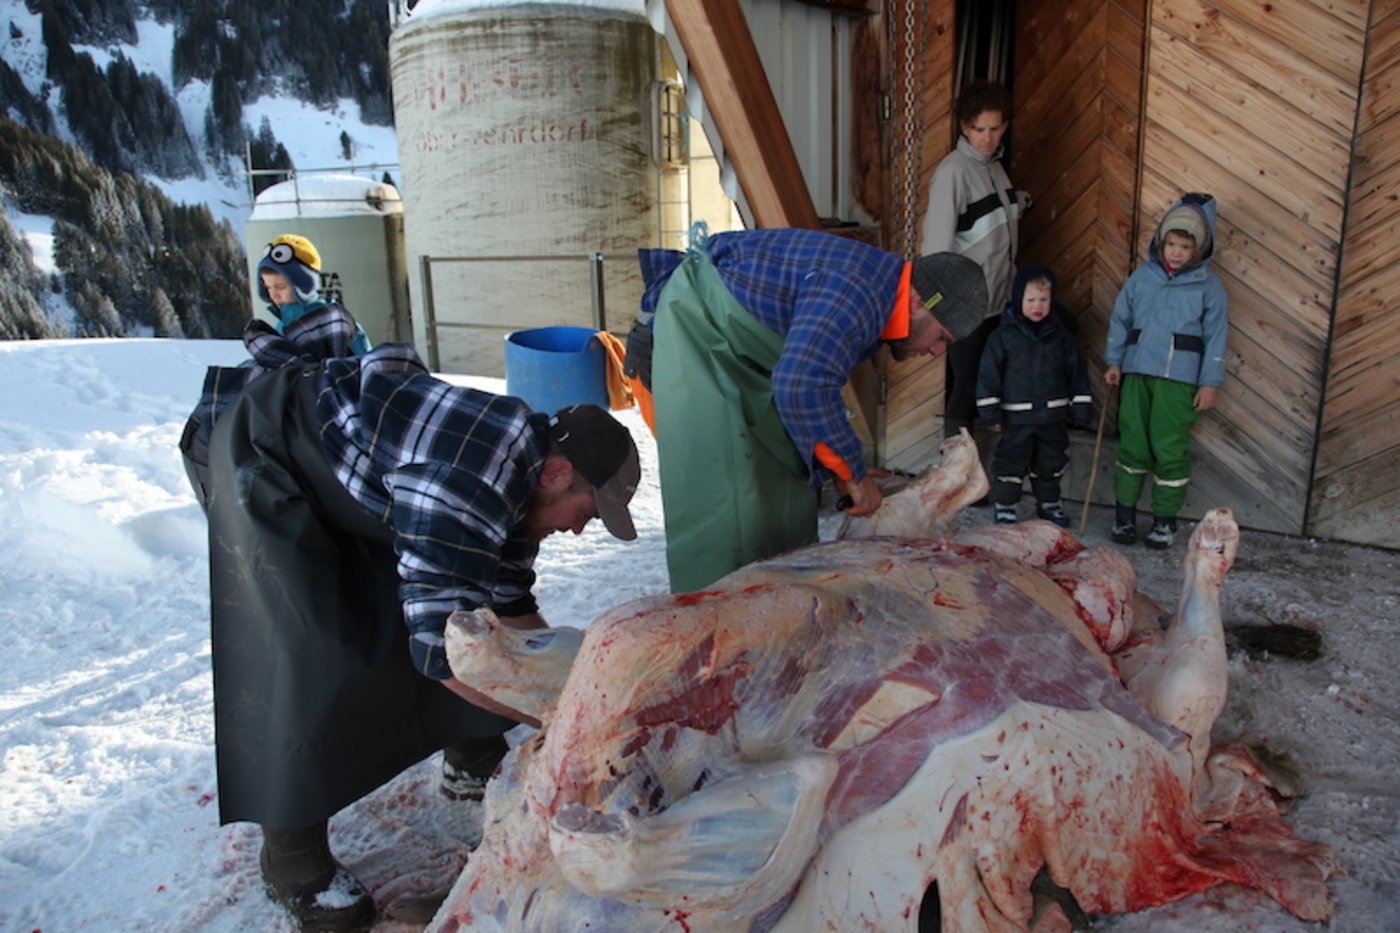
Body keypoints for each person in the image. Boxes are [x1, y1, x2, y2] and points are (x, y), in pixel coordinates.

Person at [179, 302, 641, 931]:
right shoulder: (467, 482)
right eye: (586, 513)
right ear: (559, 473)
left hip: (346, 466)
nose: (580, 529)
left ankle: (473, 752)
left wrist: (578, 694)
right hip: (259, 454)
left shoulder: (523, 478)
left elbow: (507, 607)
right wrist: (565, 726)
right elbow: (443, 651)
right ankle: (292, 862)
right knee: (308, 648)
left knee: (465, 614)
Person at [624, 224, 987, 593]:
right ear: (919, 302)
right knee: (724, 510)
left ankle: (785, 603)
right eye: (941, 337)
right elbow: (802, 384)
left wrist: (842, 466)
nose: (937, 351)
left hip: (747, 358)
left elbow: (815, 380)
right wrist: (853, 475)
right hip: (701, 333)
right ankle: (714, 618)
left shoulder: (878, 293)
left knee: (788, 491)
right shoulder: (862, 294)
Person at [1104, 193, 1228, 549]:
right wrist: (1114, 361)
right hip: (1137, 372)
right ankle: (1124, 516)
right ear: (1161, 242)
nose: (1176, 252)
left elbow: (1216, 336)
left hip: (1178, 380)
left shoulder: (1208, 287)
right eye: (1171, 244)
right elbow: (1121, 318)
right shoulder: (1142, 278)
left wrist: (1209, 382)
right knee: (1132, 443)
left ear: (1198, 249)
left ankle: (1164, 521)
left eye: (1185, 247)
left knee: (1169, 446)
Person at [919, 80, 1031, 440]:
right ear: (965, 127)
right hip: (966, 306)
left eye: (994, 129)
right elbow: (936, 249)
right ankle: (956, 464)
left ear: (1005, 127)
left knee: (989, 384)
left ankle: (978, 464)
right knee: (965, 387)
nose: (987, 138)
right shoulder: (953, 173)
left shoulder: (996, 169)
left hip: (998, 300)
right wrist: (943, 307)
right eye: (979, 129)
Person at [976, 264, 1092, 527]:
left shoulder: (1061, 337)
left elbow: (1076, 372)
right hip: (1017, 418)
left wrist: (1081, 407)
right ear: (1019, 299)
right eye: (1030, 300)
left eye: (1043, 299)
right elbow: (988, 375)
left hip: (1053, 416)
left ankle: (1049, 503)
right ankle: (1006, 505)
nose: (1037, 306)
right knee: (1011, 462)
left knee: (1051, 463)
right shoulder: (1003, 336)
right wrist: (990, 412)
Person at [257, 233, 372, 354]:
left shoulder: (334, 321)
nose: (273, 295)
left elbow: (365, 360)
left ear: (303, 285)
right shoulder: (282, 325)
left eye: (281, 287)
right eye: (268, 287)